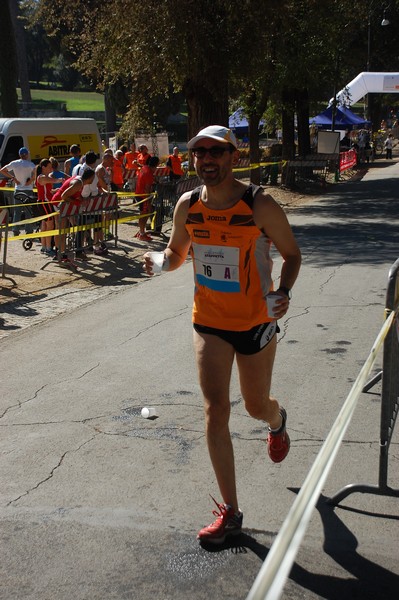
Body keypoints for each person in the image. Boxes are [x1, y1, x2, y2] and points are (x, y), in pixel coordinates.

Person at [143, 125, 301, 544]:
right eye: (200, 153)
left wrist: (283, 291)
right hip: (209, 321)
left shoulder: (259, 204)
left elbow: (292, 254)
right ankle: (231, 513)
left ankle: (277, 419)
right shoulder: (188, 205)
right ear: (193, 159)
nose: (207, 160)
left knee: (254, 406)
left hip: (255, 323)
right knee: (215, 410)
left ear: (234, 157)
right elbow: (178, 254)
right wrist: (159, 260)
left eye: (217, 153)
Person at [0, 147, 35, 236]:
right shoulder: (31, 164)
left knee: (17, 211)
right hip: (28, 190)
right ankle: (29, 230)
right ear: (27, 154)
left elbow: (2, 170)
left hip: (18, 189)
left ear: (20, 155)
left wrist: (13, 178)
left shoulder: (14, 163)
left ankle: (15, 229)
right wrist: (30, 181)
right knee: (28, 211)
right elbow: (34, 176)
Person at [35, 159, 64, 256]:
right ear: (43, 167)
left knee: (44, 225)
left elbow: (48, 190)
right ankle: (48, 248)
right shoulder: (42, 177)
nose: (51, 169)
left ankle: (44, 247)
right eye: (49, 167)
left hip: (45, 202)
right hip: (44, 203)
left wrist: (55, 190)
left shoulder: (44, 177)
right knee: (50, 225)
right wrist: (60, 180)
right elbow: (53, 180)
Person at [135, 155, 159, 241]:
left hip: (139, 194)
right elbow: (147, 189)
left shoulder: (145, 168)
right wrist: (148, 202)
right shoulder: (148, 173)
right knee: (144, 214)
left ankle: (141, 231)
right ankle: (142, 233)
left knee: (143, 214)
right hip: (143, 196)